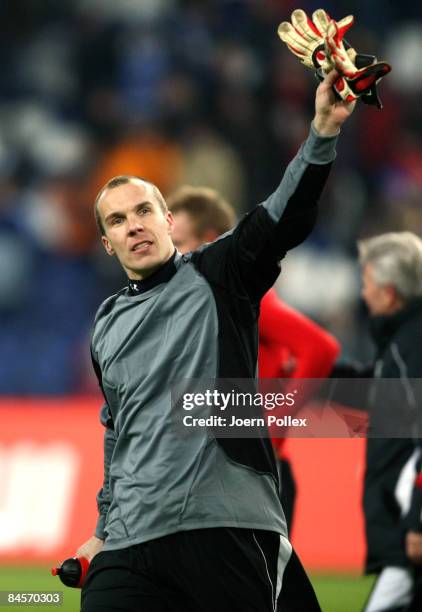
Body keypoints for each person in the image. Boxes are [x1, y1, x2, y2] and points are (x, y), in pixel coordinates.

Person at [77, 70, 354, 612]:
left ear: (168, 220)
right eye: (117, 221)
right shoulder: (105, 325)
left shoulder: (217, 272)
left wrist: (322, 130)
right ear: (108, 245)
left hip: (224, 525)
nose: (133, 225)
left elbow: (281, 217)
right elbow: (118, 434)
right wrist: (103, 529)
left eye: (142, 211)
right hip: (132, 542)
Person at [168, 185, 340, 534]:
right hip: (213, 470)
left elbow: (320, 348)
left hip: (253, 475)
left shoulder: (245, 298)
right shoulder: (193, 303)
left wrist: (274, 428)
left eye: (180, 243)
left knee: (260, 587)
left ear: (211, 240)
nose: (172, 255)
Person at [335, 232, 422, 612]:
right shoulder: (403, 343)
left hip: (408, 533)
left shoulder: (411, 347)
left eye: (367, 283)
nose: (363, 294)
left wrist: (417, 518)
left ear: (389, 293)